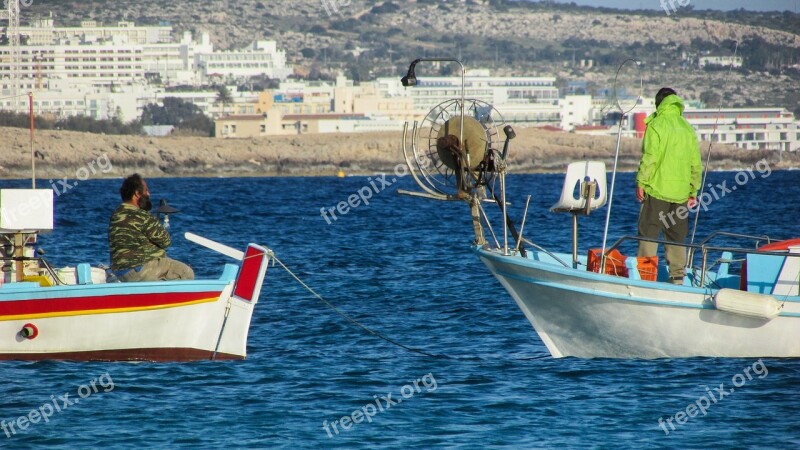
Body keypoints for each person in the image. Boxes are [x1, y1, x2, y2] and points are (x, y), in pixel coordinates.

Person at [636, 88, 702, 284]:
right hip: (681, 193)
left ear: (658, 104)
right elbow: (695, 164)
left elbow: (650, 158)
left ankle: (645, 279)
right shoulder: (687, 128)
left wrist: (641, 182)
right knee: (676, 237)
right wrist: (693, 190)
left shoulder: (656, 125)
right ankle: (677, 280)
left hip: (657, 190)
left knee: (648, 234)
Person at [108, 174, 194, 282]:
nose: (149, 194)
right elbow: (166, 241)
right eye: (146, 190)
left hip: (120, 272)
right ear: (137, 194)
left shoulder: (115, 215)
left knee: (168, 269)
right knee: (186, 272)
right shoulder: (142, 216)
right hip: (140, 270)